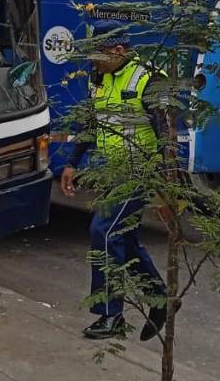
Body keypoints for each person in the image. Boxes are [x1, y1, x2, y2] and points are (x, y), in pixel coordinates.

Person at [59, 21, 167, 341]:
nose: (92, 61)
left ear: (118, 51)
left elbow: (165, 130)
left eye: (97, 54)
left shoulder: (146, 78)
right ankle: (159, 298)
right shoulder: (100, 79)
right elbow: (92, 123)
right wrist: (71, 162)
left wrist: (166, 179)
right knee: (126, 238)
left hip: (138, 172)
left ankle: (111, 315)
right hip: (111, 171)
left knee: (103, 231)